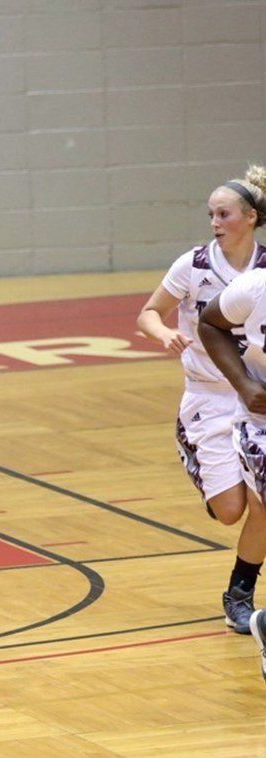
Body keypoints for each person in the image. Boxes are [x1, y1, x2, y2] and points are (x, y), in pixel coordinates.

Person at [145, 165, 266, 636]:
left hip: (254, 401)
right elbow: (149, 313)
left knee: (263, 506)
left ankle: (240, 594)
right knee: (229, 511)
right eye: (211, 214)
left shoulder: (262, 271)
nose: (215, 222)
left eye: (224, 213)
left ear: (250, 218)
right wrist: (163, 333)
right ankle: (193, 447)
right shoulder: (193, 265)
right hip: (208, 397)